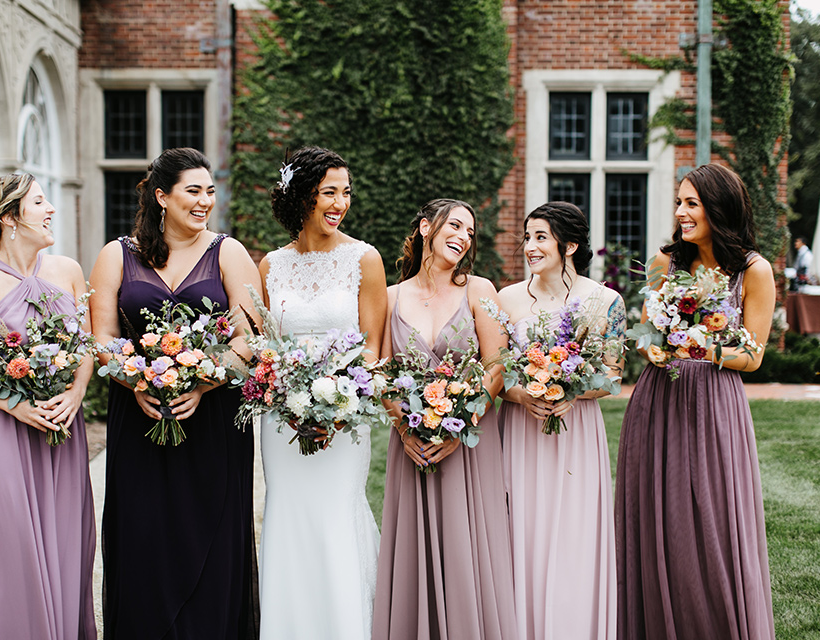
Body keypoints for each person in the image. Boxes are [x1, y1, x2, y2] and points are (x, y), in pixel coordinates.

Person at [89, 147, 261, 639]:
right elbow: (101, 337)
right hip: (139, 416)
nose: (205, 200)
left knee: (208, 535)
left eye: (210, 191)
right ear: (162, 197)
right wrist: (136, 380)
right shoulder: (116, 254)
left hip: (211, 420)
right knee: (142, 537)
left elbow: (250, 336)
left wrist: (206, 380)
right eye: (194, 191)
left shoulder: (227, 251)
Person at [615, 163, 776, 639]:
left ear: (718, 207)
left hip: (714, 401)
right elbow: (645, 332)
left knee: (711, 519)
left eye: (692, 203)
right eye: (680, 202)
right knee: (658, 514)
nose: (681, 213)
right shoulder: (666, 262)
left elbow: (754, 355)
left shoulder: (753, 270)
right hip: (658, 396)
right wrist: (655, 348)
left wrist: (706, 348)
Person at [0, 174, 97, 639]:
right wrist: (16, 404)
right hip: (3, 436)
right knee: (8, 557)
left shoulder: (67, 270)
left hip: (62, 433)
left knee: (69, 547)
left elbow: (86, 345)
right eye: (39, 202)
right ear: (10, 218)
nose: (50, 210)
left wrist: (74, 393)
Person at [371, 198, 517, 640]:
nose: (464, 237)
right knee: (415, 553)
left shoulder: (480, 290)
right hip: (412, 442)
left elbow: (497, 364)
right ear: (425, 228)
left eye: (470, 232)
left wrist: (462, 424)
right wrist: (402, 423)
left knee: (466, 551)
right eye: (455, 225)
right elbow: (377, 368)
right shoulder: (391, 297)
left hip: (468, 444)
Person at [257, 146, 387, 640]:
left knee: (336, 514)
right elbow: (267, 347)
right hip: (281, 420)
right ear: (301, 195)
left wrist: (341, 402)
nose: (340, 203)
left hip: (344, 416)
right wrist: (282, 394)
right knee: (288, 514)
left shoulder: (363, 259)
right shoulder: (271, 266)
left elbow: (373, 349)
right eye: (328, 192)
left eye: (346, 192)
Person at [497, 202, 625, 640]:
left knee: (575, 535)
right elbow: (495, 373)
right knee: (523, 535)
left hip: (577, 432)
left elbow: (611, 375)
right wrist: (522, 393)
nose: (529, 247)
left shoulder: (606, 300)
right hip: (521, 430)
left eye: (540, 237)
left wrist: (567, 389)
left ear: (569, 245)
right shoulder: (507, 299)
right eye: (527, 237)